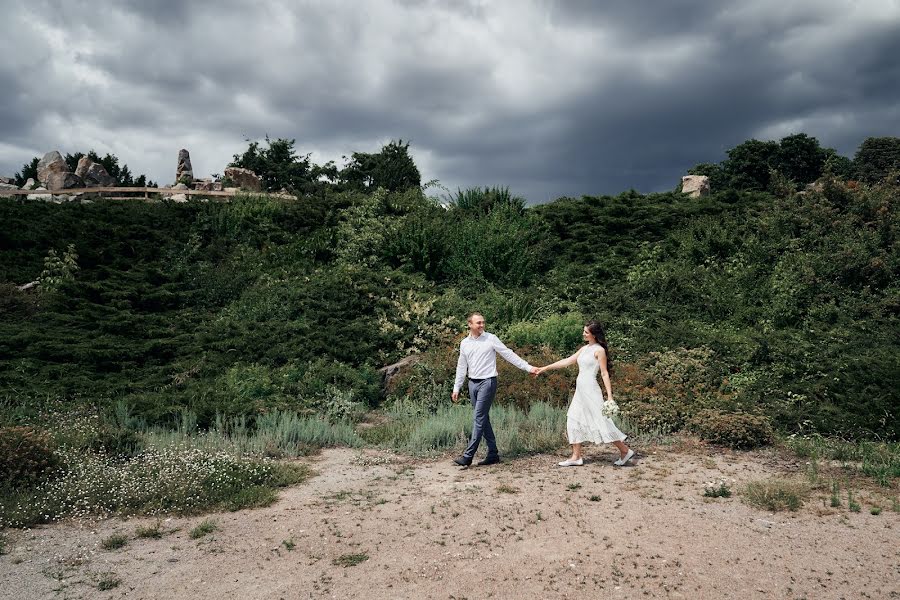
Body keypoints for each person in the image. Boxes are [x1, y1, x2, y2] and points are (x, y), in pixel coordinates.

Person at [534, 321, 634, 467]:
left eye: (586, 332)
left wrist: (610, 396)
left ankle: (625, 450)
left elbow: (604, 374)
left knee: (602, 421)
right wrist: (545, 368)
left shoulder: (599, 350)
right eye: (584, 331)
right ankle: (576, 457)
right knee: (573, 418)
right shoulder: (584, 348)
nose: (583, 334)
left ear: (594, 334)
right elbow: (567, 361)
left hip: (591, 390)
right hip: (580, 391)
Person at [451, 312, 538, 467]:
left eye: (483, 322)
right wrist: (456, 387)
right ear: (470, 324)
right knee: (483, 418)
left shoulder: (491, 338)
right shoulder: (464, 343)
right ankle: (493, 454)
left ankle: (468, 456)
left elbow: (508, 354)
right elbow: (461, 366)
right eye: (478, 323)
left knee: (478, 417)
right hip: (472, 384)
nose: (482, 325)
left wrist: (528, 367)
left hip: (488, 382)